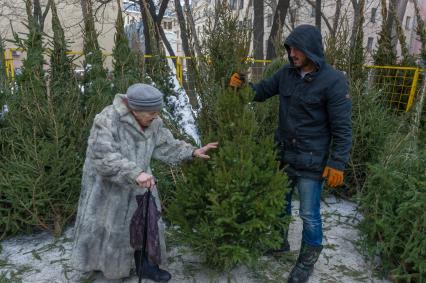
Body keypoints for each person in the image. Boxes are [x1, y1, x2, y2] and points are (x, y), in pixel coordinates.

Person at [229, 24, 352, 283]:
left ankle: (306, 263)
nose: (292, 53)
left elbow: (342, 128)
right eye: (290, 48)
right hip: (283, 155)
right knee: (280, 204)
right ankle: (277, 242)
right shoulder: (286, 74)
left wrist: (337, 162)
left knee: (309, 213)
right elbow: (260, 93)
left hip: (312, 160)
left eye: (297, 49)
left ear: (311, 50)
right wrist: (241, 87)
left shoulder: (333, 81)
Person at [71, 83, 218, 282]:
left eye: (157, 112)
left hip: (143, 184)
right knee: (108, 229)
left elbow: (166, 145)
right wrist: (133, 173)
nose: (156, 116)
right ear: (135, 109)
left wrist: (191, 151)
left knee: (148, 224)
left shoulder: (153, 121)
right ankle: (104, 266)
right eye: (152, 112)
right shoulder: (107, 119)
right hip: (110, 188)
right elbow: (102, 155)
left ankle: (146, 266)